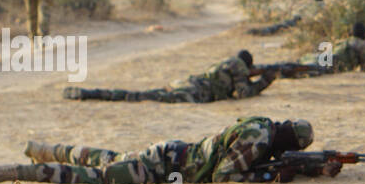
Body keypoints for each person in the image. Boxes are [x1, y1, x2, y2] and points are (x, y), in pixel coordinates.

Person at [0, 117, 343, 184]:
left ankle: (43, 149)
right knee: (98, 176)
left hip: (169, 154)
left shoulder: (261, 126)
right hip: (164, 168)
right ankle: (12, 171)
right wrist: (272, 176)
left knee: (106, 158)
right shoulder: (258, 142)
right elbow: (223, 175)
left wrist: (312, 168)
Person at [63, 50, 270, 102]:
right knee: (142, 97)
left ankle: (88, 92)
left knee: (143, 94)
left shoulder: (228, 62)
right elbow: (243, 94)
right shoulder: (239, 65)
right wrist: (265, 81)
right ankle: (88, 93)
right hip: (194, 93)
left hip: (188, 83)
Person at [294, 21, 365, 73]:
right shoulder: (362, 44)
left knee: (302, 65)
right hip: (332, 64)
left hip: (324, 57)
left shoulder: (346, 41)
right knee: (308, 70)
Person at [247, 0, 324, 36]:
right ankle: (262, 31)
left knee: (280, 26)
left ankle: (262, 31)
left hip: (297, 21)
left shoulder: (316, 7)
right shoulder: (319, 8)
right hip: (298, 21)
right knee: (280, 26)